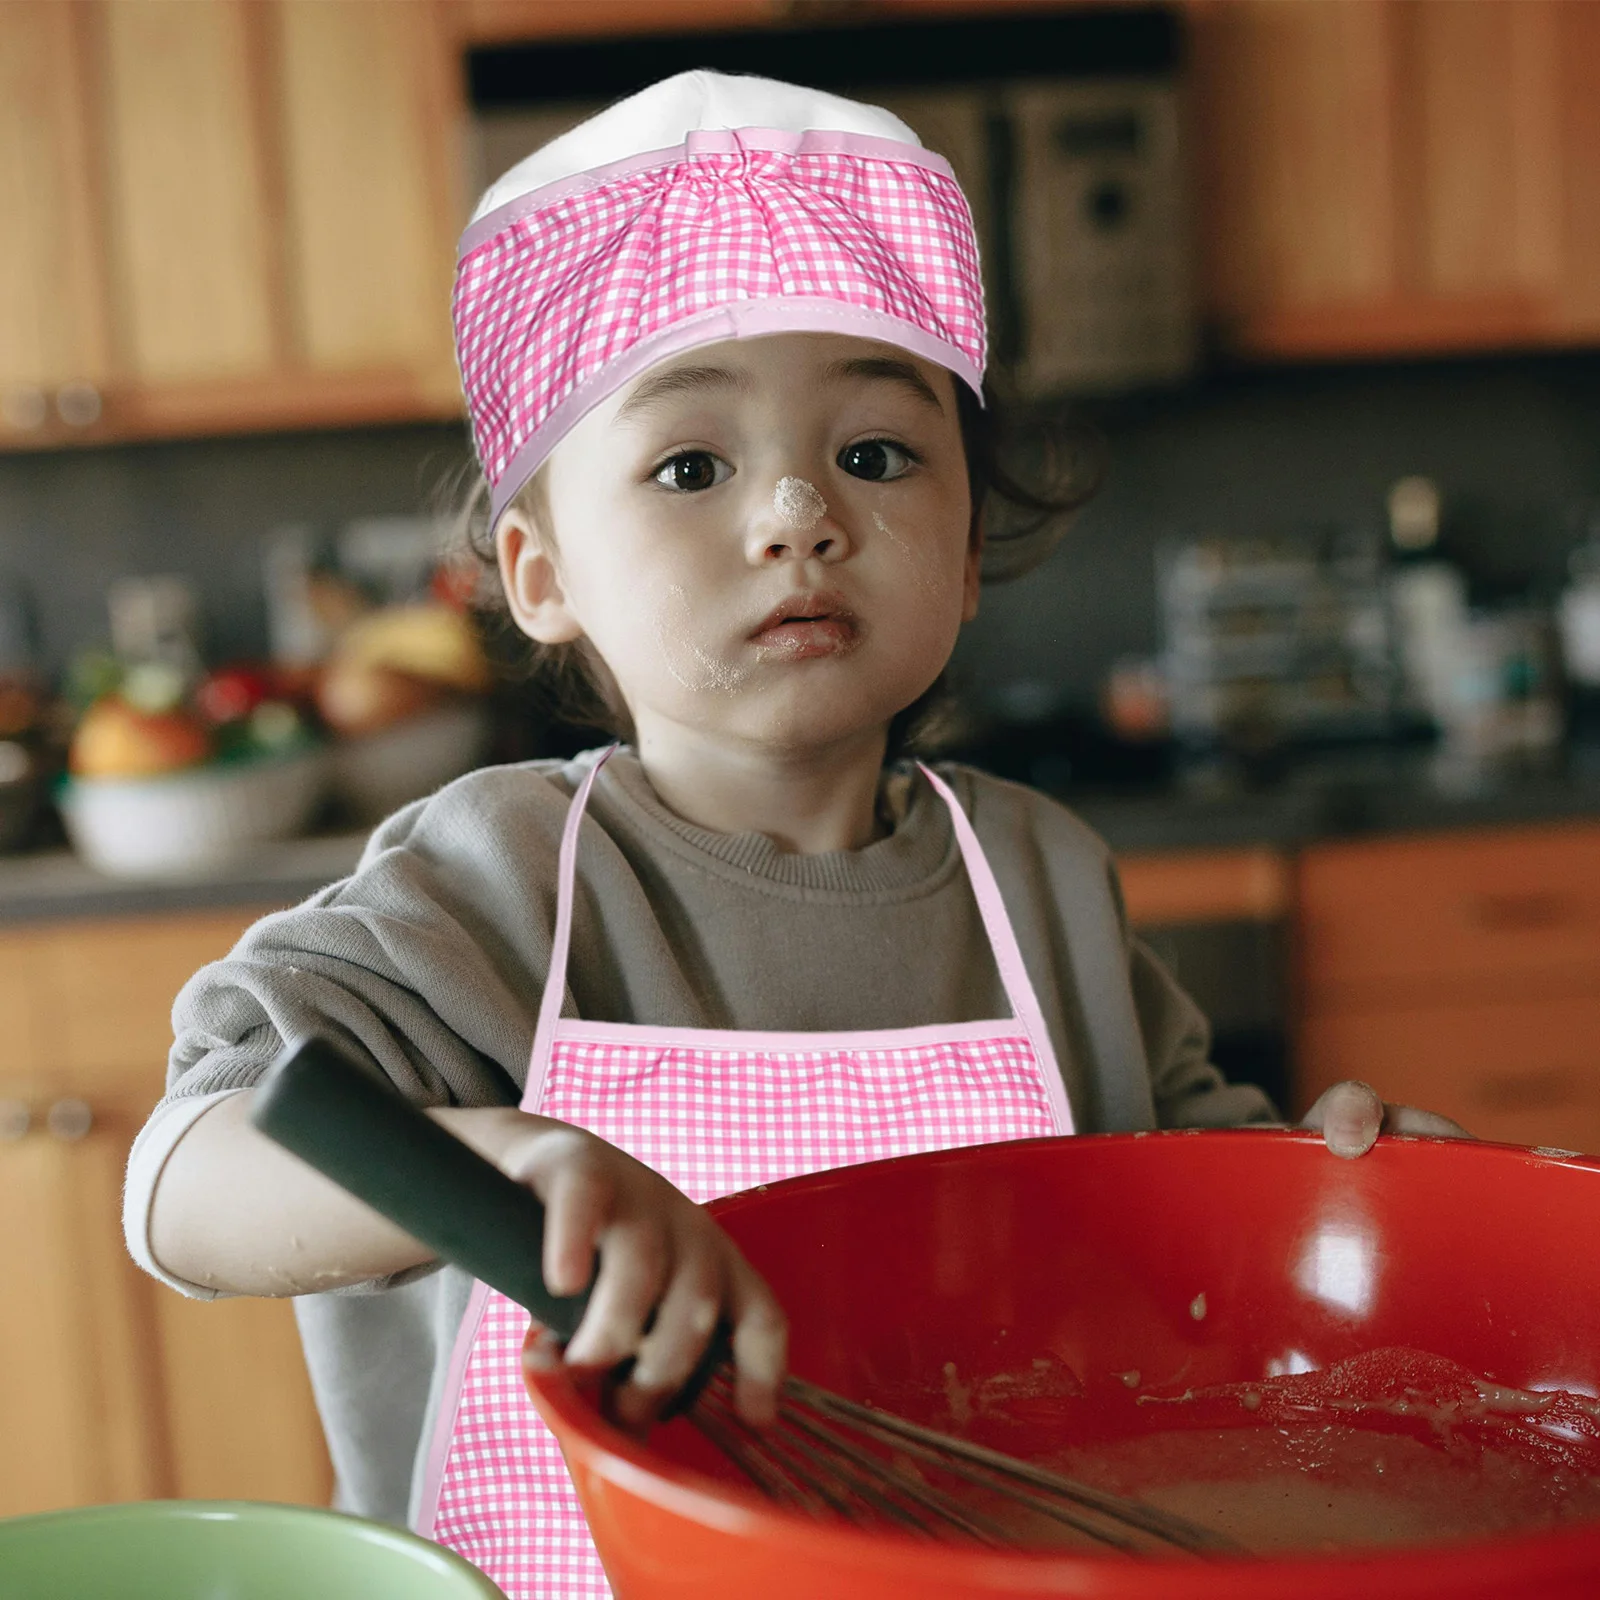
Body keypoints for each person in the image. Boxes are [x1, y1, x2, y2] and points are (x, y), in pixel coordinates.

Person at [124, 71, 1464, 1600]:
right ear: (542, 572)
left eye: (876, 454)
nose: (796, 514)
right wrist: (501, 1158)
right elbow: (187, 1176)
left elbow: (1202, 1261)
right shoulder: (493, 884)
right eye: (691, 466)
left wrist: (1352, 1198)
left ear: (970, 549)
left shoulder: (1041, 883)